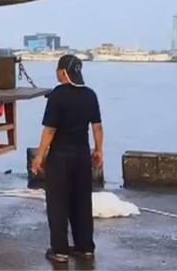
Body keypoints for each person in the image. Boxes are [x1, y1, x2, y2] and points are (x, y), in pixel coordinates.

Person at [31, 54, 104, 264]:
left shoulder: (58, 95)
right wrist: (99, 151)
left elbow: (50, 131)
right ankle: (85, 247)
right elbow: (97, 127)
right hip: (82, 155)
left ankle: (60, 250)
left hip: (60, 157)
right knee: (82, 202)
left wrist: (39, 156)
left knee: (58, 203)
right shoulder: (90, 95)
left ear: (63, 72)